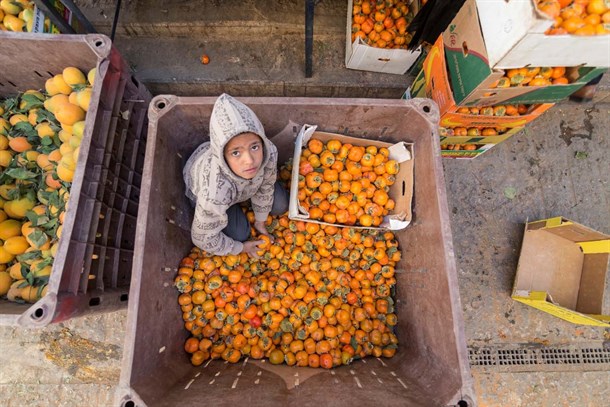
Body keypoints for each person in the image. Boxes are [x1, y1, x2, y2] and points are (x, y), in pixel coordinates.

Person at [183, 94, 288, 257]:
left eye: (254, 147)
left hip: (242, 188)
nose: (249, 161)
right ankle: (235, 209)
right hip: (220, 193)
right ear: (222, 155)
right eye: (236, 152)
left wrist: (260, 222)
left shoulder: (269, 153)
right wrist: (240, 248)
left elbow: (266, 185)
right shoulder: (213, 193)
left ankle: (243, 203)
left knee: (280, 205)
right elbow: (201, 238)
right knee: (240, 235)